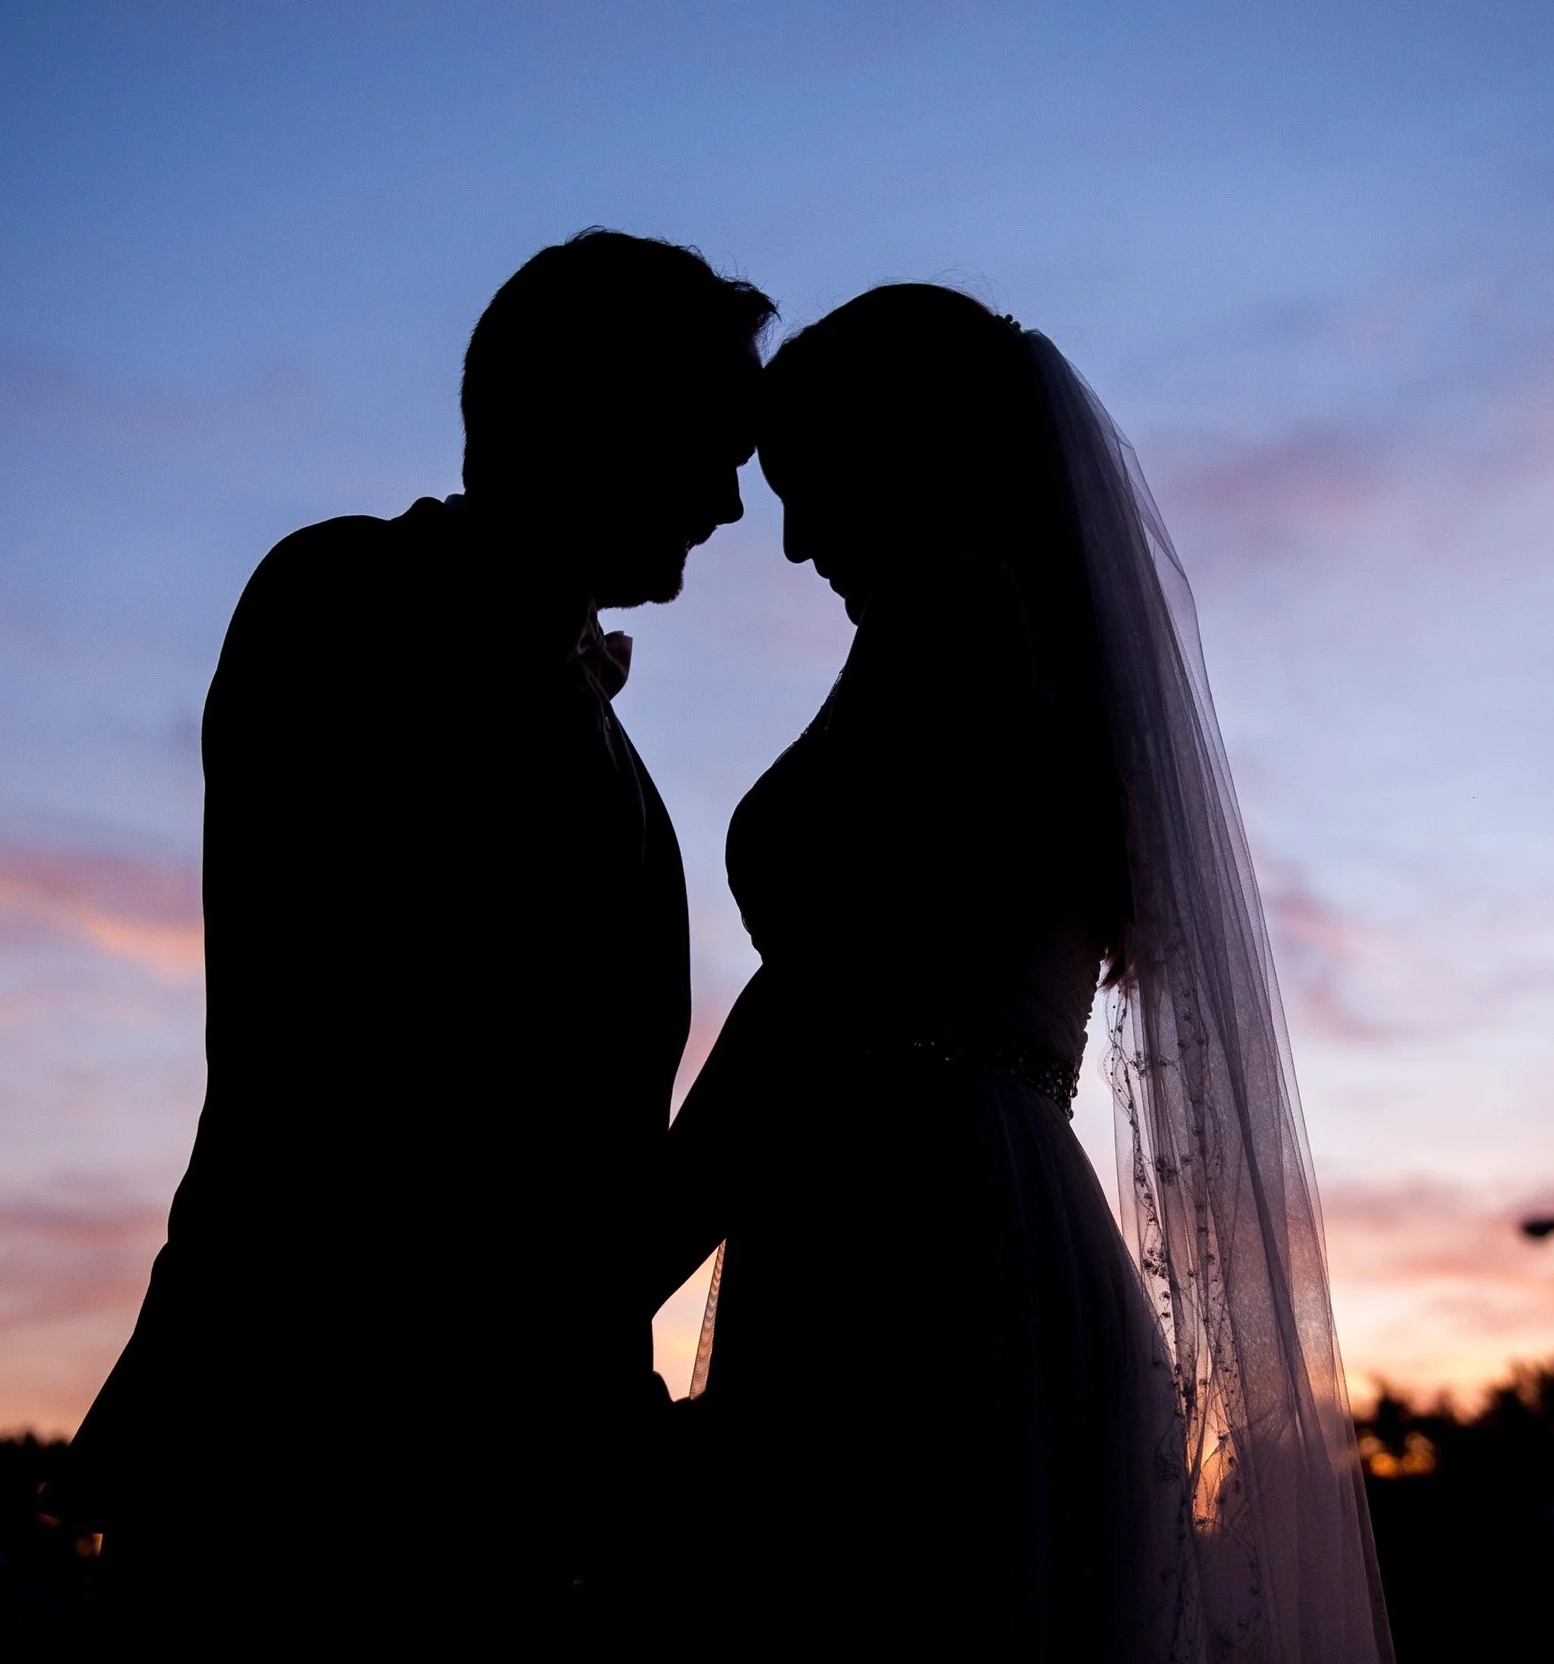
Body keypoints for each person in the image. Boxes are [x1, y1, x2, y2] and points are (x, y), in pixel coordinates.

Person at [656, 286, 1393, 1663]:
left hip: (909, 1227)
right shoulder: (1052, 649)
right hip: (997, 1207)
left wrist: (615, 1267)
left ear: (911, 452)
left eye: (813, 488)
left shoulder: (964, 613)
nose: (799, 541)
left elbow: (822, 987)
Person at [67, 230, 773, 1658]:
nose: (732, 503)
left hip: (507, 1482)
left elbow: (583, 1141)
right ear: (597, 411)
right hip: (300, 1461)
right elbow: (367, 1062)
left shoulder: (617, 752)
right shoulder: (345, 602)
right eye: (712, 443)